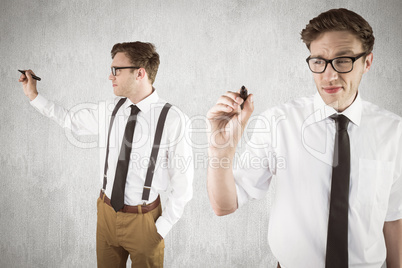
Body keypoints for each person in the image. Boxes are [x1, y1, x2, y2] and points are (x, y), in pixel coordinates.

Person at [206, 8, 401, 268]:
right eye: (319, 61)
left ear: (367, 62)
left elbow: (393, 216)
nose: (329, 75)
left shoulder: (394, 131)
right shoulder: (278, 122)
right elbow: (224, 205)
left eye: (343, 60)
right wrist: (221, 151)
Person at [19, 41, 193, 268]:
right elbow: (69, 119)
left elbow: (183, 184)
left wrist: (162, 228)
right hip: (106, 214)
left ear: (140, 73)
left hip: (145, 222)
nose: (111, 77)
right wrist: (33, 95)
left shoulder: (173, 119)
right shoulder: (111, 110)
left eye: (116, 70)